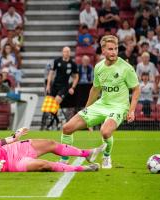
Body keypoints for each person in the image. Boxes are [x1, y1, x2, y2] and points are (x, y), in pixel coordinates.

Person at [60, 35, 141, 169]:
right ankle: (64, 161)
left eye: (115, 49)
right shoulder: (98, 67)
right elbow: (95, 89)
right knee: (67, 128)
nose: (113, 52)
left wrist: (131, 110)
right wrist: (86, 109)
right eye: (110, 49)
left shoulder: (126, 68)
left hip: (119, 107)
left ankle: (107, 156)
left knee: (105, 131)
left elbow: (136, 89)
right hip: (102, 104)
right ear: (103, 50)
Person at [0, 123, 106, 173]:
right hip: (14, 164)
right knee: (45, 165)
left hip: (14, 149)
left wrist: (14, 137)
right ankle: (84, 169)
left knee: (50, 143)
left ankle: (87, 153)